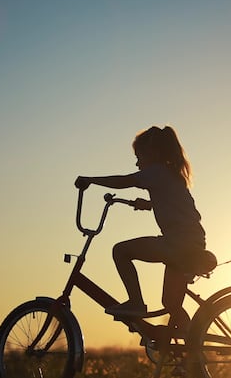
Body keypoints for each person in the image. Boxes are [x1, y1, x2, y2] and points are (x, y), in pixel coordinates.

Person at [75, 125, 206, 336]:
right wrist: (149, 204)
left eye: (139, 156)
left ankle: (136, 302)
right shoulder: (172, 174)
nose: (137, 162)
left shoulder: (156, 172)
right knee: (171, 304)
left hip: (177, 243)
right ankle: (191, 350)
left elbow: (125, 180)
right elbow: (175, 204)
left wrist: (91, 181)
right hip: (192, 241)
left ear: (152, 153)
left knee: (120, 251)